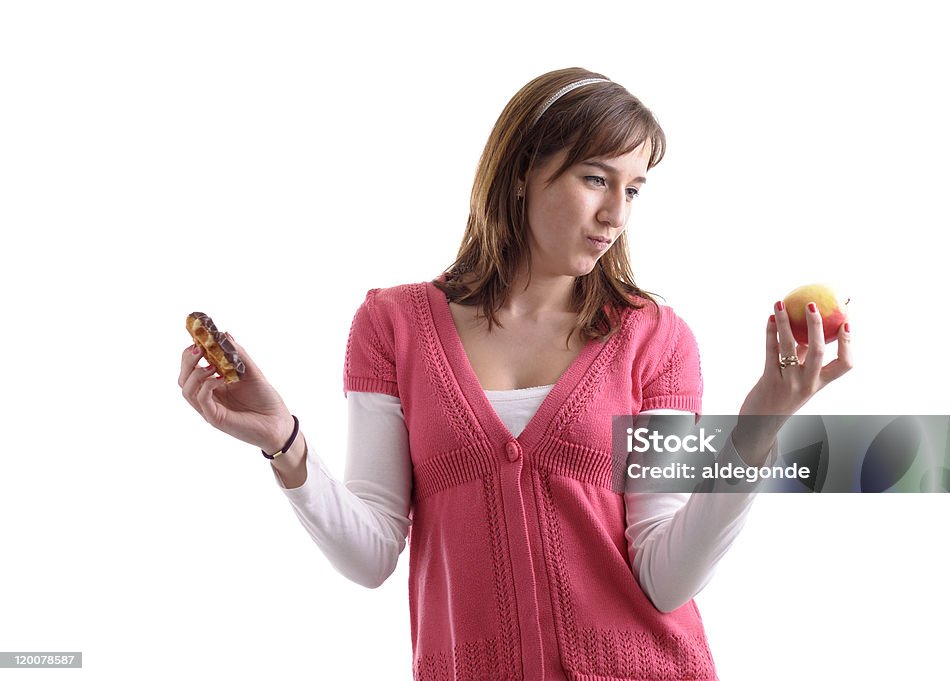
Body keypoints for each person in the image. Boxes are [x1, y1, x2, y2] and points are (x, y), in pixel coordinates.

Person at [178, 67, 852, 681]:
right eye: (596, 179)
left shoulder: (654, 339)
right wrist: (284, 443)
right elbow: (372, 553)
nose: (616, 214)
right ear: (525, 169)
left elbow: (665, 574)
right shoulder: (392, 327)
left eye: (634, 188)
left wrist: (761, 425)